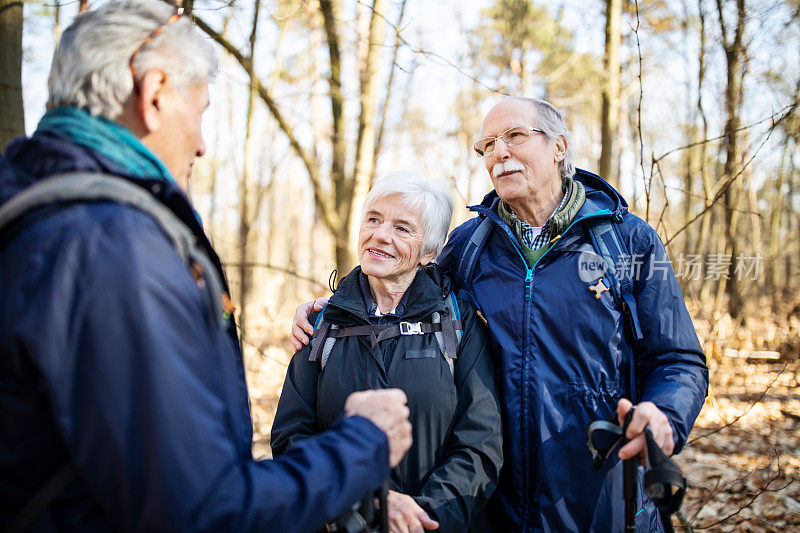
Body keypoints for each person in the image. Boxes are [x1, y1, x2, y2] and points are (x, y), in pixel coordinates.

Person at [0, 2, 413, 531]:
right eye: (199, 112)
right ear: (153, 94)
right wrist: (364, 445)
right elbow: (202, 510)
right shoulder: (111, 246)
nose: (200, 143)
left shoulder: (33, 209)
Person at [291, 97, 709, 531]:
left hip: (602, 496)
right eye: (487, 144)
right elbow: (398, 296)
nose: (499, 152)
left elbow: (679, 359)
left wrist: (665, 414)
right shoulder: (468, 246)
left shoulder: (628, 241)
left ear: (559, 147)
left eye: (514, 136)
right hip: (498, 503)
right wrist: (332, 309)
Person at [272, 172, 503, 533]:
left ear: (429, 252)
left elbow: (480, 443)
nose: (381, 235)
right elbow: (291, 436)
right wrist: (365, 506)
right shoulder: (322, 324)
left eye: (402, 228)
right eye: (374, 219)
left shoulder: (458, 323)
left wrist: (422, 517)